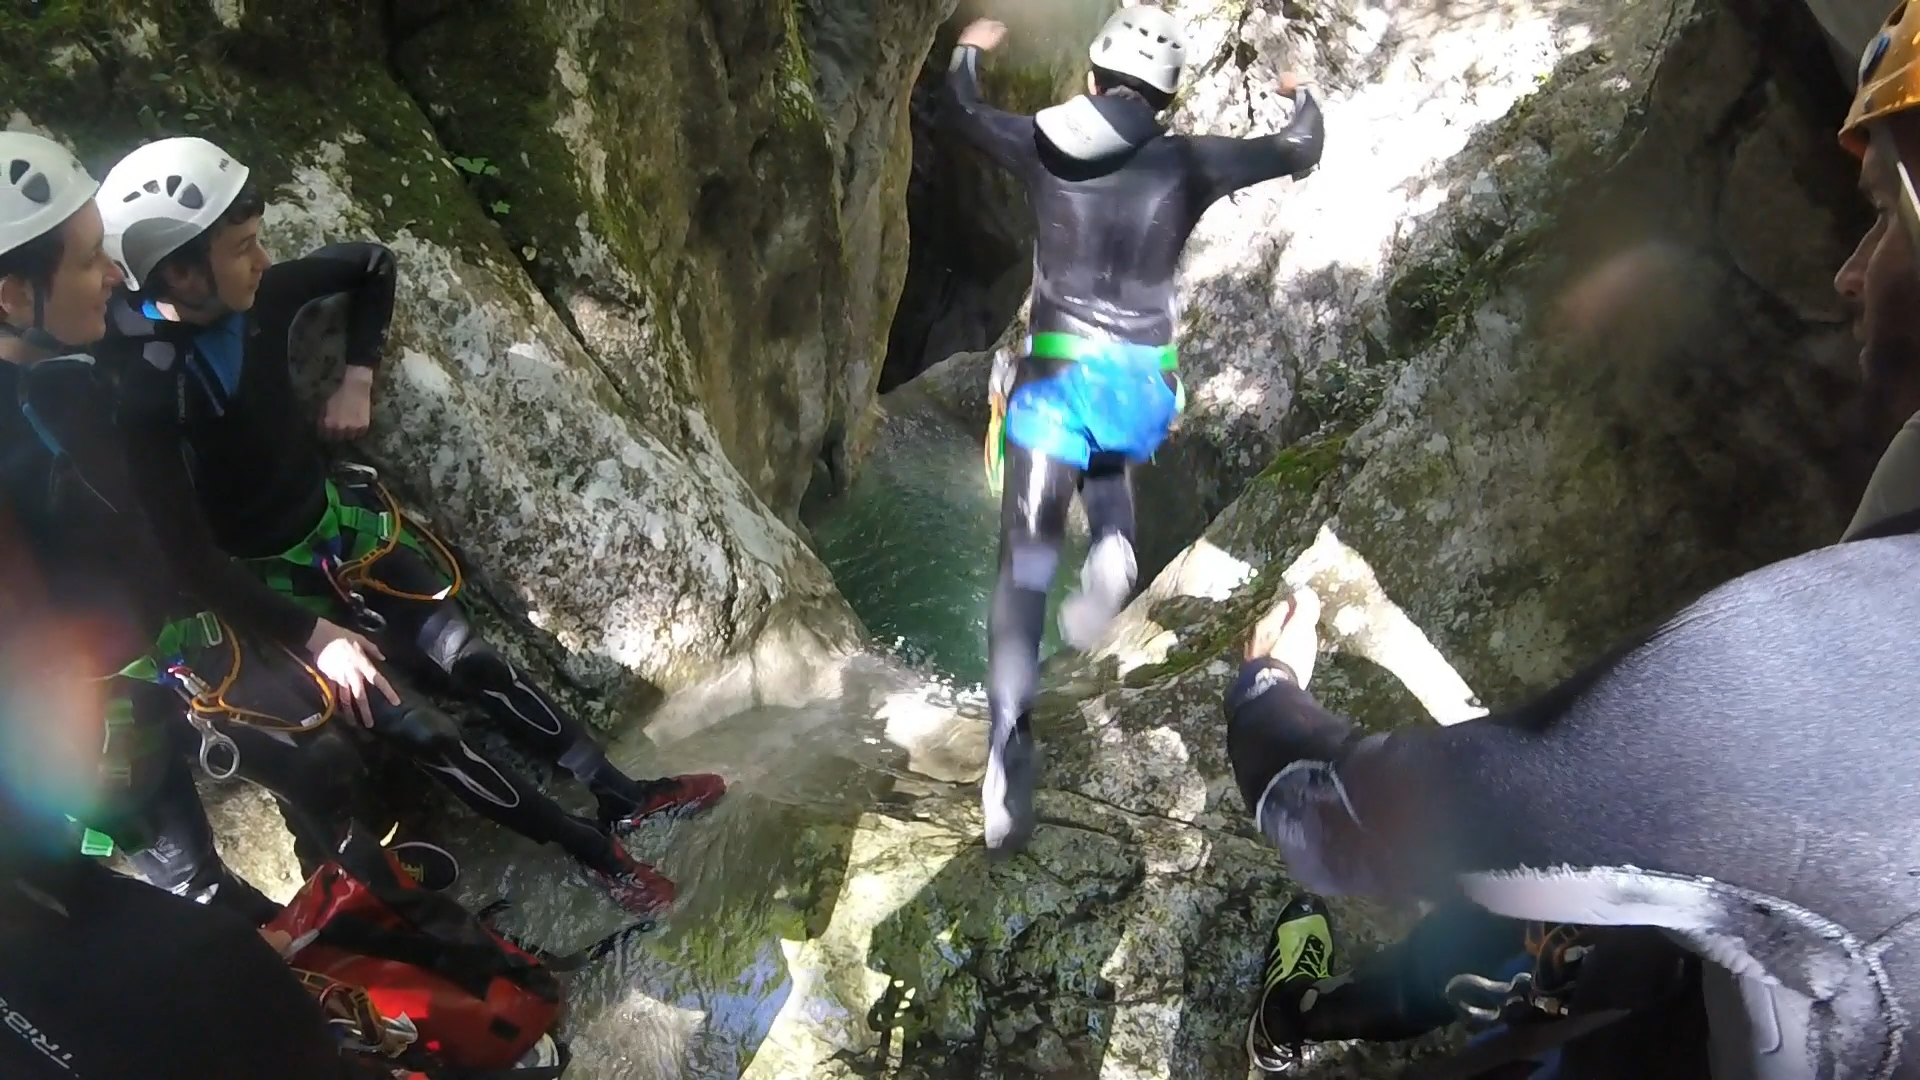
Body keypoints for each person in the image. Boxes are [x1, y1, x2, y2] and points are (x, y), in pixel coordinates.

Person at [89, 136, 722, 914]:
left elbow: (371, 265)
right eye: (243, 248)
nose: (264, 260)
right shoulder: (146, 390)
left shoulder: (264, 297)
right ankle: (596, 855)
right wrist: (314, 638)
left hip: (338, 532)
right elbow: (187, 557)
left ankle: (622, 795)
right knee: (425, 733)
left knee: (473, 661)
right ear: (180, 273)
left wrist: (358, 377)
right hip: (271, 599)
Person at [0, 129, 410, 924]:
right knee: (203, 893)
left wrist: (296, 630)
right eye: (89, 260)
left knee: (323, 770)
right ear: (14, 296)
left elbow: (166, 537)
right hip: (91, 708)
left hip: (171, 643)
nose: (113, 274)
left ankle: (412, 954)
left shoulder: (75, 378)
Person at [944, 7, 1325, 855]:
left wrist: (969, 49)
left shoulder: (1044, 142)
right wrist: (1298, 92)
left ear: (1091, 79)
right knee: (1110, 464)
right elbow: (1301, 147)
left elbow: (959, 111)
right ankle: (1115, 542)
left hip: (1056, 377)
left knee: (1023, 573)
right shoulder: (1189, 160)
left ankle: (1007, 752)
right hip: (1141, 386)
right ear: (1165, 98)